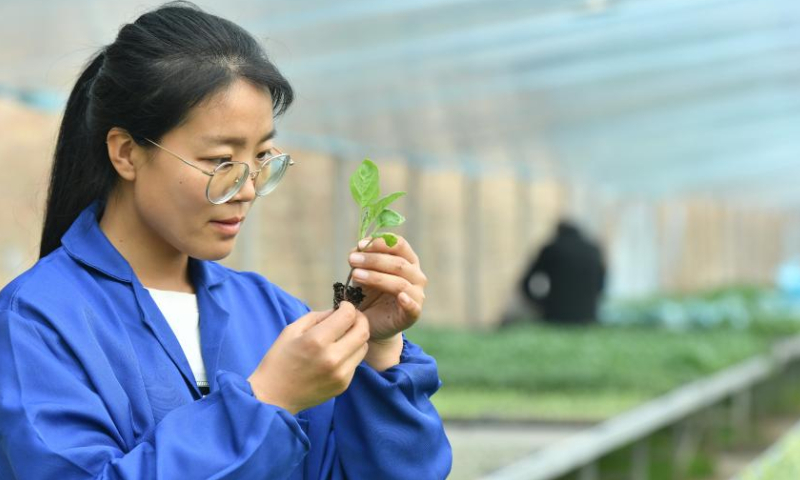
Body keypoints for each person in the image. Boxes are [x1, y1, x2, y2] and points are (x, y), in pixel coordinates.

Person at [0, 3, 451, 479]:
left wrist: (379, 353)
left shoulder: (275, 314)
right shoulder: (35, 323)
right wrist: (269, 399)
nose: (249, 188)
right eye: (220, 162)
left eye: (261, 158)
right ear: (127, 153)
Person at [517, 220, 605, 325]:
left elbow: (526, 282)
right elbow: (601, 282)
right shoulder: (593, 250)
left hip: (556, 315)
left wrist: (540, 304)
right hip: (587, 316)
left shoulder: (551, 250)